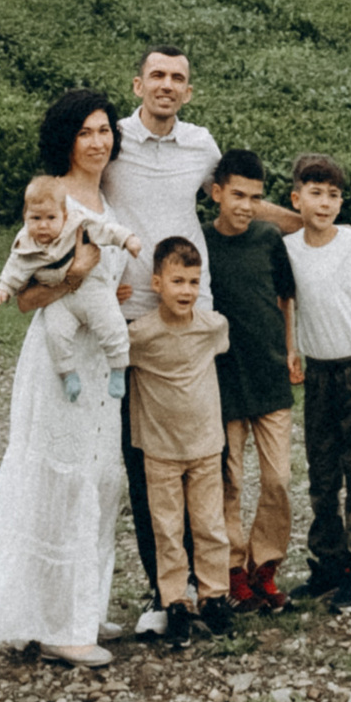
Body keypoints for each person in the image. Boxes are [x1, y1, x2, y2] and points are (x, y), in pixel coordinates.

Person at [110, 45, 299, 639]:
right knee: (147, 463)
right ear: (138, 84)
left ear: (188, 91)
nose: (167, 85)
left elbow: (238, 200)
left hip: (197, 318)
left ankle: (211, 583)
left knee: (207, 460)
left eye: (178, 78)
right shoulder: (112, 141)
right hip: (134, 321)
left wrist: (312, 226)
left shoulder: (202, 145)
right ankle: (165, 589)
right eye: (157, 76)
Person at [0, 85, 132, 668]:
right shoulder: (49, 199)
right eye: (85, 131)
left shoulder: (110, 201)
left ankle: (79, 603)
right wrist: (77, 277)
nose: (97, 141)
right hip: (59, 359)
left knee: (102, 476)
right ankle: (53, 623)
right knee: (56, 475)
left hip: (101, 359)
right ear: (65, 138)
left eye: (104, 129)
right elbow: (26, 298)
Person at [286, 154, 351, 614]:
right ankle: (326, 564)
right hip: (317, 371)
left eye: (334, 194)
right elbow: (289, 301)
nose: (325, 203)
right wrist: (291, 349)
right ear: (297, 198)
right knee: (321, 475)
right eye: (316, 193)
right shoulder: (288, 247)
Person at [125, 238, 234, 643]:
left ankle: (214, 597)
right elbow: (113, 353)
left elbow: (220, 347)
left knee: (209, 525)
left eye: (193, 281)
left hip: (206, 445)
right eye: (177, 281)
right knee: (168, 529)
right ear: (157, 283)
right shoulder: (140, 335)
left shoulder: (213, 327)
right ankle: (175, 602)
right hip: (160, 450)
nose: (185, 291)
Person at [202, 149, 297, 611]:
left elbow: (285, 298)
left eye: (255, 197)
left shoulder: (267, 238)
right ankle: (234, 569)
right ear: (217, 193)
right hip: (224, 379)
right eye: (237, 194)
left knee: (278, 477)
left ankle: (267, 564)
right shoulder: (200, 243)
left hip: (271, 374)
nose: (245, 205)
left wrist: (291, 349)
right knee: (230, 482)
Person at [0, 172, 136, 400]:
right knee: (56, 333)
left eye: (51, 218)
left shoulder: (77, 224)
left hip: (90, 289)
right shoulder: (26, 243)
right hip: (58, 299)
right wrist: (3, 289)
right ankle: (68, 374)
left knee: (112, 324)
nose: (43, 226)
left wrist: (128, 240)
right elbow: (14, 269)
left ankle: (118, 368)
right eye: (35, 219)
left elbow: (106, 231)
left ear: (64, 215)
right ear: (25, 217)